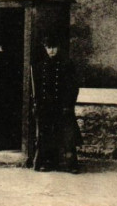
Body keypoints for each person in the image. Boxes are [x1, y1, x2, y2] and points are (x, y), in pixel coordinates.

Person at [31, 35, 82, 173]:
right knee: (47, 135)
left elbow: (73, 87)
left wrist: (68, 104)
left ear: (58, 48)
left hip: (63, 106)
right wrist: (38, 105)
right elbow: (38, 89)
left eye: (53, 47)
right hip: (47, 107)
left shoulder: (67, 64)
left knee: (67, 136)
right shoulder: (41, 66)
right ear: (45, 48)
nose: (51, 51)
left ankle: (71, 164)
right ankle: (47, 162)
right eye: (49, 47)